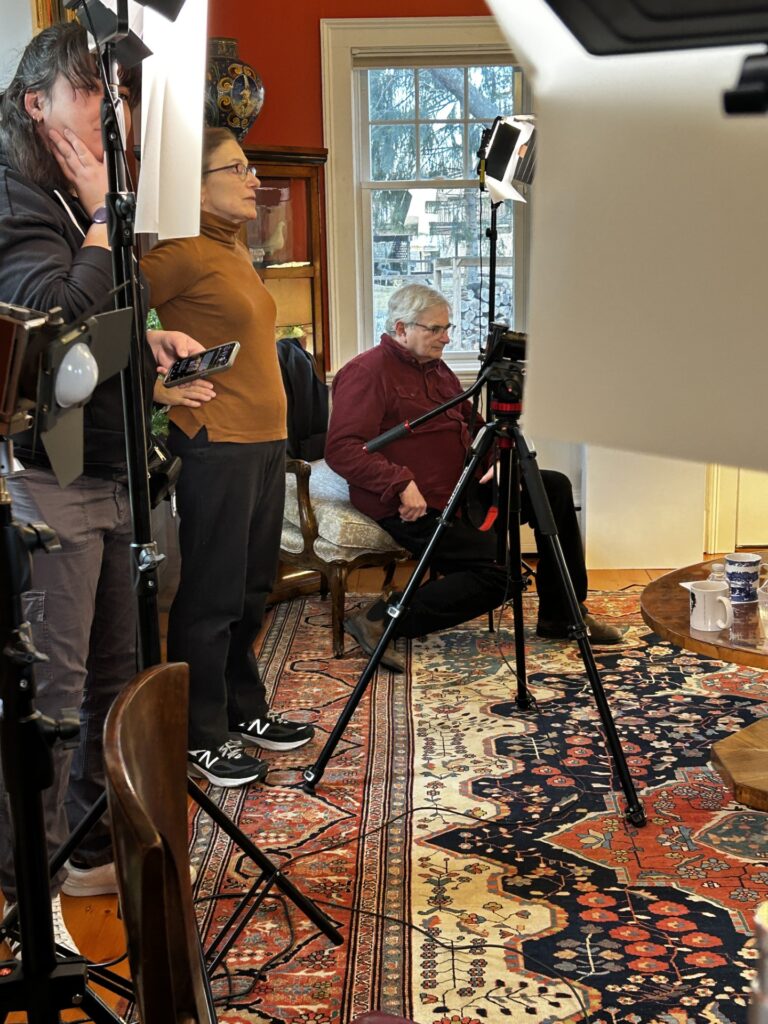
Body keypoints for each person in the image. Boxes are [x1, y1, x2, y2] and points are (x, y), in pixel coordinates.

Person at [0, 22, 211, 940]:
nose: (113, 110)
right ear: (35, 102)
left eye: (118, 94)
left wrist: (149, 342)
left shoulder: (78, 193)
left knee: (118, 685)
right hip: (52, 474)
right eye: (93, 90)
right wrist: (97, 216)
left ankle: (89, 854)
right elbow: (47, 321)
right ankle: (26, 894)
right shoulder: (16, 192)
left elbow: (93, 340)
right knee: (54, 698)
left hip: (109, 461)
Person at [325, 283, 626, 671]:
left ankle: (563, 614)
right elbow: (343, 448)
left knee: (551, 486)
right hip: (413, 503)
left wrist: (501, 459)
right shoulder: (367, 372)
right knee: (501, 576)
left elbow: (475, 425)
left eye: (447, 328)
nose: (446, 338)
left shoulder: (438, 370)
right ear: (401, 328)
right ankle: (382, 617)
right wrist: (398, 482)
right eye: (435, 329)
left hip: (463, 487)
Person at [140, 127, 315, 789]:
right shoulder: (181, 252)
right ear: (196, 184)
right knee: (211, 597)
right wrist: (159, 385)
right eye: (236, 168)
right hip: (218, 445)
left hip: (264, 445)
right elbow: (111, 310)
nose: (253, 179)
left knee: (248, 591)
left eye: (250, 167)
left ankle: (245, 708)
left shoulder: (233, 248)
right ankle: (199, 734)